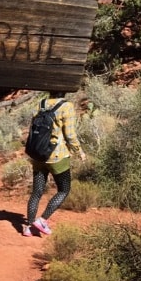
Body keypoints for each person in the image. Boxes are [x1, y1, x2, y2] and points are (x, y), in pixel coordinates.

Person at [23, 91, 86, 237]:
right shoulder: (67, 106)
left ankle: (28, 226)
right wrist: (79, 151)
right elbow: (70, 135)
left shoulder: (42, 103)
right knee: (64, 189)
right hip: (57, 156)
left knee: (37, 192)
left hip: (38, 155)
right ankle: (42, 220)